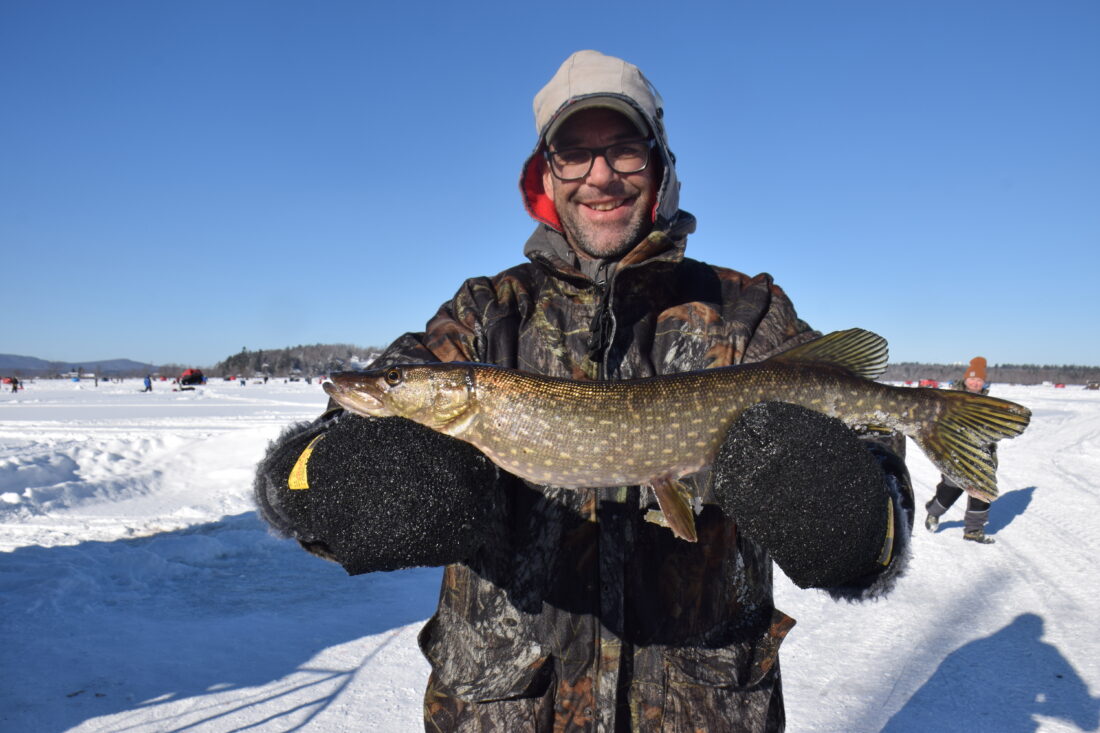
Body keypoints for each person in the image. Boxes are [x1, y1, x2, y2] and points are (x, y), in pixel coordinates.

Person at [254, 50, 914, 732]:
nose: (600, 174)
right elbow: (322, 439)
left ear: (659, 163)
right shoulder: (486, 314)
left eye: (624, 148)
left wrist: (862, 521)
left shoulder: (747, 312)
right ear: (547, 174)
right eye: (575, 152)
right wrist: (320, 477)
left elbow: (875, 453)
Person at [924, 356, 997, 544]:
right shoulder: (951, 398)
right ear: (965, 380)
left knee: (981, 492)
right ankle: (934, 512)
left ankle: (973, 530)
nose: (975, 383)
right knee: (951, 488)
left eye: (979, 380)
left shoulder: (991, 403)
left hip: (982, 455)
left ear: (984, 382)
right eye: (972, 379)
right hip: (955, 454)